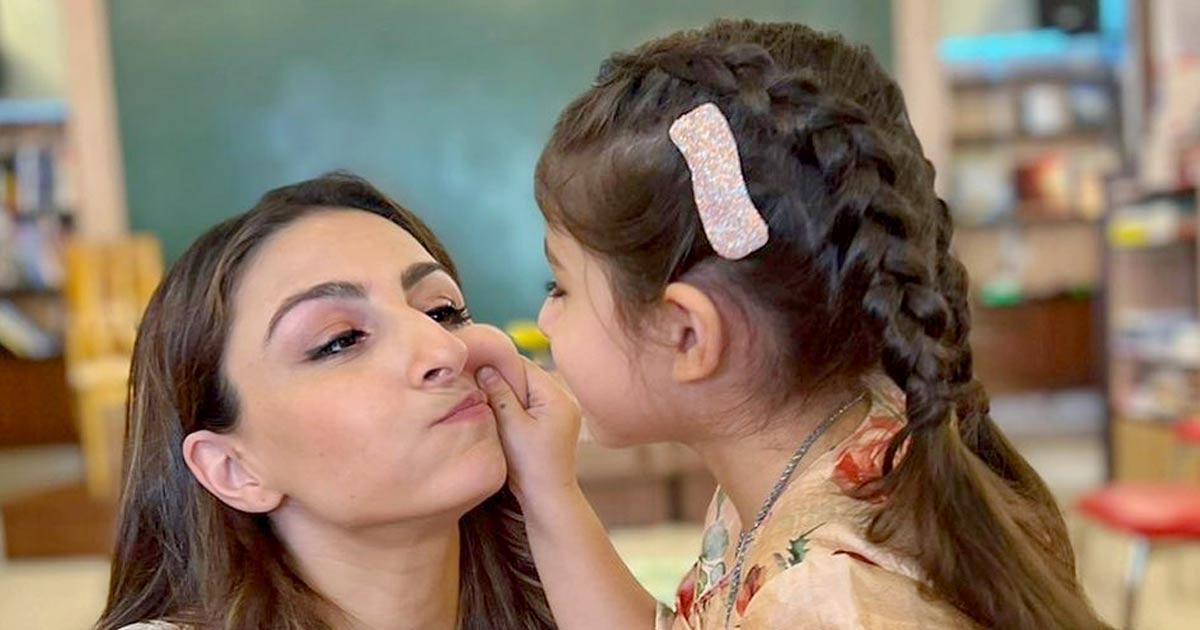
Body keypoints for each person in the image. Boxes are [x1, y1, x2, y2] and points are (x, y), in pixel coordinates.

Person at [478, 19, 1108, 629]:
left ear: (688, 334)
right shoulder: (817, 455)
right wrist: (547, 486)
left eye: (560, 288)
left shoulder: (824, 601)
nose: (546, 320)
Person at [97, 173, 554, 630]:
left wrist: (558, 505)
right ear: (233, 469)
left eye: (442, 311)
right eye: (341, 340)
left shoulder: (577, 598)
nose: (446, 350)